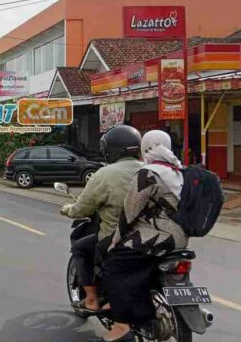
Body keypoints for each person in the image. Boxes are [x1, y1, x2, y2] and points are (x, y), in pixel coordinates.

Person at [98, 130, 188, 342]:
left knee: (114, 263)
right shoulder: (180, 171)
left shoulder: (147, 173)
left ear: (145, 148)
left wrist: (115, 240)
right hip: (181, 238)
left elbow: (129, 212)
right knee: (138, 264)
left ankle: (121, 324)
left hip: (156, 238)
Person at [60, 125, 143, 314]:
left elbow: (82, 208)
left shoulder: (104, 174)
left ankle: (91, 299)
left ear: (110, 150)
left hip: (115, 237)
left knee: (80, 248)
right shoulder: (152, 169)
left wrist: (67, 209)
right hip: (151, 236)